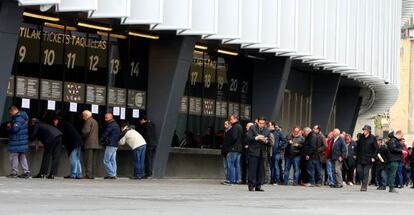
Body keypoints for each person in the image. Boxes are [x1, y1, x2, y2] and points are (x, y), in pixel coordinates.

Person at [246, 117, 274, 191]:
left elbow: (270, 142)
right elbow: (248, 138)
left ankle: (258, 186)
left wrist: (265, 141)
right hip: (253, 152)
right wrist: (256, 138)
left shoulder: (267, 130)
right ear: (257, 122)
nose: (261, 124)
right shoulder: (252, 128)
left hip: (262, 153)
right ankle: (251, 185)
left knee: (261, 170)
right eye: (260, 123)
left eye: (263, 123)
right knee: (252, 169)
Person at [6, 106, 30, 178]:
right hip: (21, 140)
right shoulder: (22, 116)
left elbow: (16, 129)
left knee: (13, 156)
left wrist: (9, 128)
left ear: (13, 111)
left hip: (17, 140)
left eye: (10, 113)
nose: (10, 115)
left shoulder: (18, 118)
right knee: (22, 156)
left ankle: (14, 173)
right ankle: (26, 172)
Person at [355, 125, 376, 192]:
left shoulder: (373, 138)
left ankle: (364, 186)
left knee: (366, 173)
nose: (364, 131)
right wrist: (355, 154)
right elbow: (357, 147)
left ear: (369, 131)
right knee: (359, 171)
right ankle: (362, 182)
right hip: (360, 158)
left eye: (366, 130)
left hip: (368, 158)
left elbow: (375, 149)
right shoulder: (361, 137)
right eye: (364, 130)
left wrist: (373, 157)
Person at [81, 110, 101, 179]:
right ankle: (92, 174)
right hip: (95, 143)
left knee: (88, 160)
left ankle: (88, 175)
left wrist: (82, 133)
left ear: (86, 115)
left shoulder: (88, 121)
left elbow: (86, 131)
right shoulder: (95, 121)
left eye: (83, 116)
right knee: (92, 160)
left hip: (89, 143)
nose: (83, 118)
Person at [100, 113, 120, 179]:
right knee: (113, 160)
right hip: (115, 145)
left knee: (106, 160)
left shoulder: (111, 125)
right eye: (105, 117)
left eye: (106, 118)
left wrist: (101, 140)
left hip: (110, 144)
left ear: (111, 117)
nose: (105, 119)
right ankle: (114, 174)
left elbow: (106, 133)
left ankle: (112, 174)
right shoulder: (116, 125)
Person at [226, 114, 243, 185]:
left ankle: (232, 180)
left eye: (231, 119)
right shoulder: (240, 127)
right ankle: (237, 179)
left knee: (231, 165)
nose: (230, 120)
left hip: (233, 148)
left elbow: (234, 137)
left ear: (235, 119)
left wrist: (229, 144)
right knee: (237, 165)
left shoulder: (234, 127)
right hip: (239, 149)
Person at [221, 120, 232, 185]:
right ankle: (227, 178)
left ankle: (229, 179)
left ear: (229, 124)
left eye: (226, 124)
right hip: (224, 151)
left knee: (228, 166)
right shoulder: (226, 131)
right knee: (225, 166)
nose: (225, 125)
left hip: (228, 151)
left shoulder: (231, 132)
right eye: (224, 124)